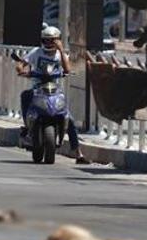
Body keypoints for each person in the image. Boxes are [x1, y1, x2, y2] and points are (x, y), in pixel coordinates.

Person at [15, 26, 91, 165]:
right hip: (38, 88)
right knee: (26, 96)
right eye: (47, 40)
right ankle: (27, 127)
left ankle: (78, 154)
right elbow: (22, 63)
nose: (50, 43)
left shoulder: (60, 55)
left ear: (59, 40)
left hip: (55, 90)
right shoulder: (36, 52)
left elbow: (67, 69)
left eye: (53, 40)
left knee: (70, 119)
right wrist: (21, 69)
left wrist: (61, 50)